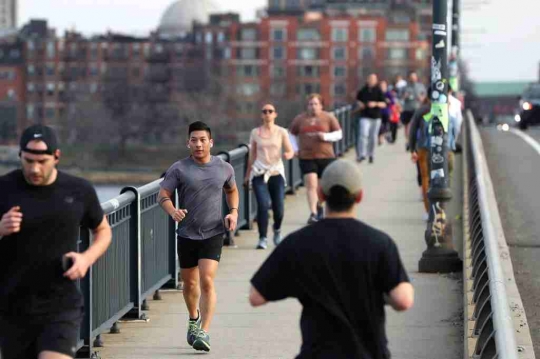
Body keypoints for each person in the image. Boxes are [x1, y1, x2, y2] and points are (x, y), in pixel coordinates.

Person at [249, 159, 414, 359]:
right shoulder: (380, 243)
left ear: (320, 194)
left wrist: (299, 285)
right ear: (360, 196)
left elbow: (256, 296)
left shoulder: (298, 243)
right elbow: (403, 300)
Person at [0, 124, 112, 359]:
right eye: (28, 161)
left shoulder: (78, 190)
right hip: (13, 307)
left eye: (42, 162)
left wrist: (86, 259)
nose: (35, 168)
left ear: (57, 156)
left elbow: (103, 230)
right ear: (20, 155)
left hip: (61, 305)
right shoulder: (4, 188)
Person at [158, 121, 239, 353]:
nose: (199, 144)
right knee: (190, 283)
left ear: (211, 142)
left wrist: (233, 213)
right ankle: (193, 318)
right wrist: (173, 210)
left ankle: (203, 330)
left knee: (206, 280)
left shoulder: (224, 168)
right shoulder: (179, 169)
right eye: (194, 140)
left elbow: (232, 190)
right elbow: (163, 193)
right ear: (188, 143)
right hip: (186, 234)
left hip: (213, 231)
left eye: (203, 140)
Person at [244, 103, 294, 250]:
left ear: (275, 114)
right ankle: (262, 238)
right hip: (259, 173)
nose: (267, 113)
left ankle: (277, 230)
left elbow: (290, 150)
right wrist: (247, 175)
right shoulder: (255, 133)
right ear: (261, 115)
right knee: (263, 205)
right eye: (264, 111)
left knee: (279, 208)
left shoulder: (281, 132)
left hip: (276, 173)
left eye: (270, 111)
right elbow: (252, 155)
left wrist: (288, 155)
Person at [289, 93, 342, 224]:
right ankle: (313, 213)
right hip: (307, 157)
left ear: (321, 105)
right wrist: (295, 149)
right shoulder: (300, 119)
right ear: (307, 106)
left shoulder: (328, 117)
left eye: (316, 104)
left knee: (323, 186)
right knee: (311, 184)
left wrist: (325, 137)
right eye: (310, 104)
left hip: (326, 156)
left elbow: (339, 134)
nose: (313, 107)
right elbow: (290, 134)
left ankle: (320, 206)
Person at [356, 73, 387, 163]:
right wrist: (360, 104)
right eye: (370, 79)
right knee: (363, 134)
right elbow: (358, 100)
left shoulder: (379, 91)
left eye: (374, 79)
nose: (372, 81)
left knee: (373, 137)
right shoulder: (363, 90)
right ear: (367, 80)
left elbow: (384, 104)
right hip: (364, 116)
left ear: (376, 80)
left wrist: (375, 104)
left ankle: (371, 154)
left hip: (376, 117)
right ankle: (362, 154)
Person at [401, 71, 427, 147]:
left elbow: (425, 97)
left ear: (416, 77)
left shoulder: (421, 86)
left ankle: (416, 140)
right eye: (411, 77)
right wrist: (405, 96)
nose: (413, 79)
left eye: (414, 77)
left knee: (417, 126)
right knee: (407, 126)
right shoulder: (405, 87)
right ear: (409, 78)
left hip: (417, 109)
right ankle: (408, 141)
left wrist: (421, 98)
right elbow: (400, 97)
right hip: (407, 109)